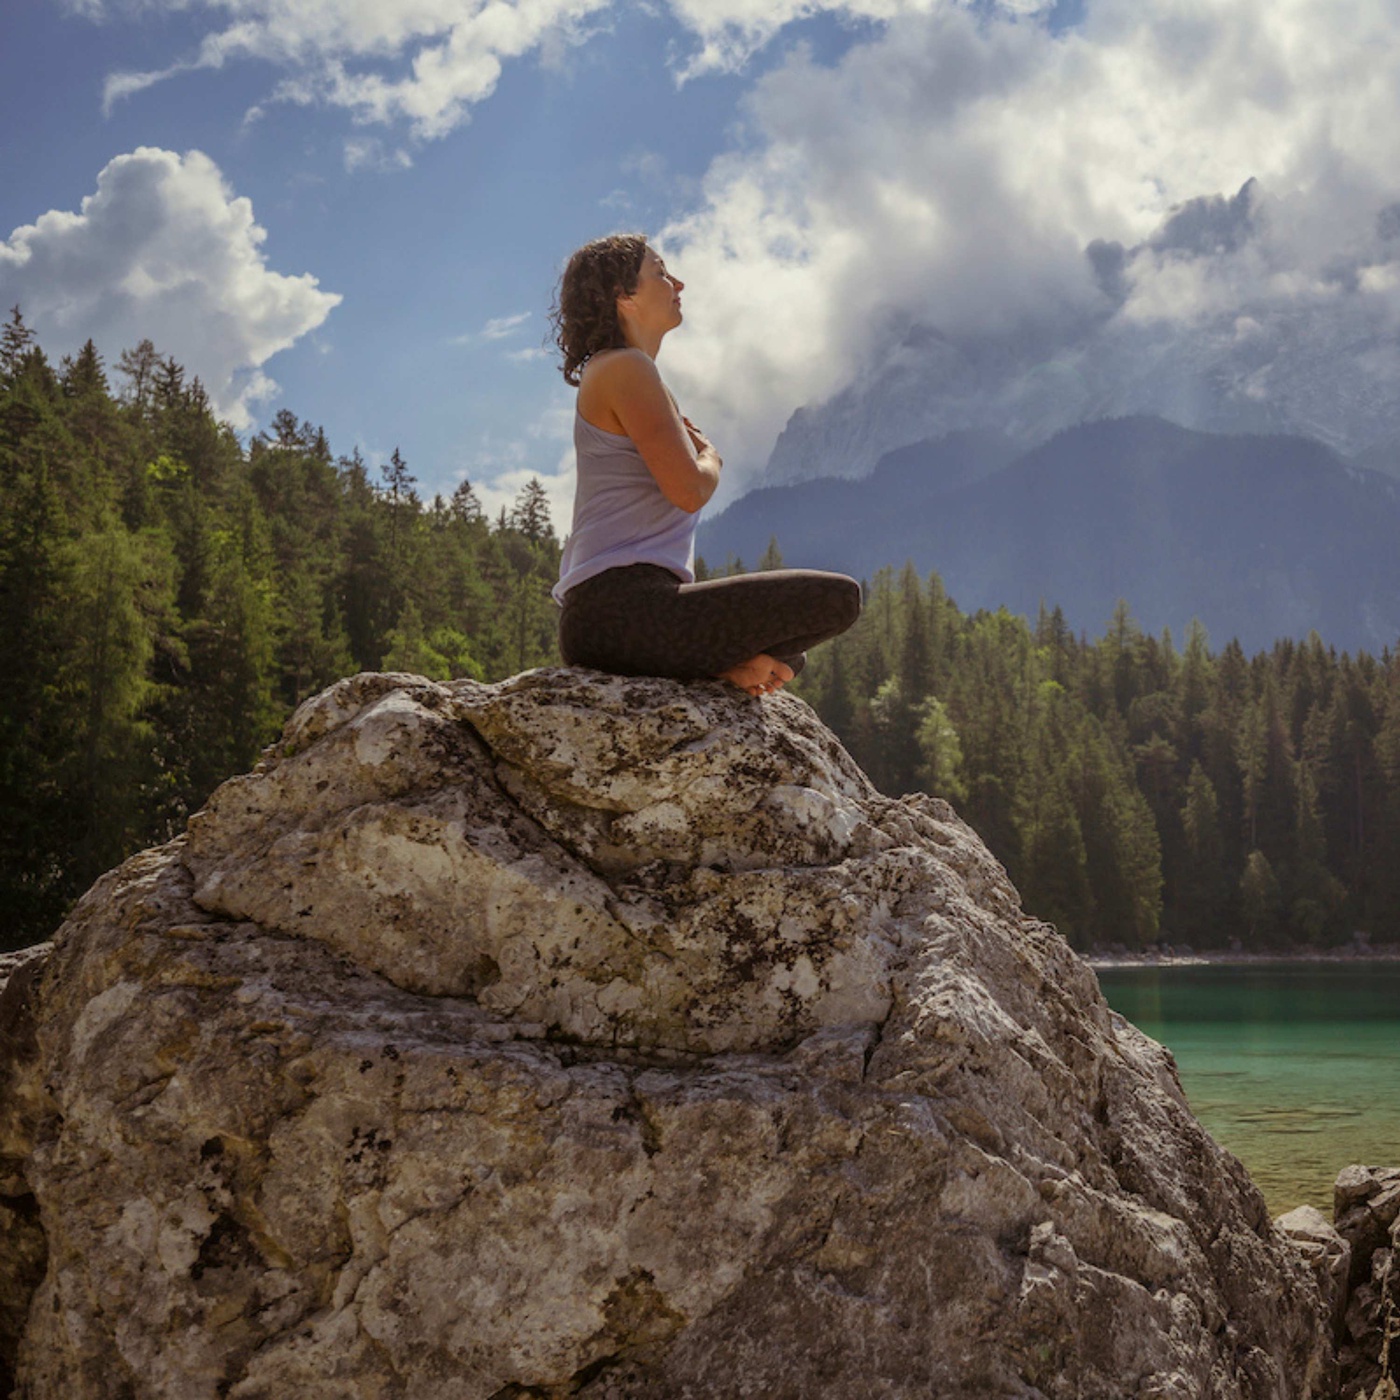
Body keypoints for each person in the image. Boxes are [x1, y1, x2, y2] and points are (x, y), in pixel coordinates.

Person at [549, 233, 861, 698]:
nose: (678, 281)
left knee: (787, 655)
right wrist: (711, 457)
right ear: (624, 297)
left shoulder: (625, 370)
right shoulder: (624, 367)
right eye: (660, 272)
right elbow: (690, 489)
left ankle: (722, 668)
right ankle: (716, 666)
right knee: (837, 599)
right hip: (621, 608)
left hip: (622, 613)